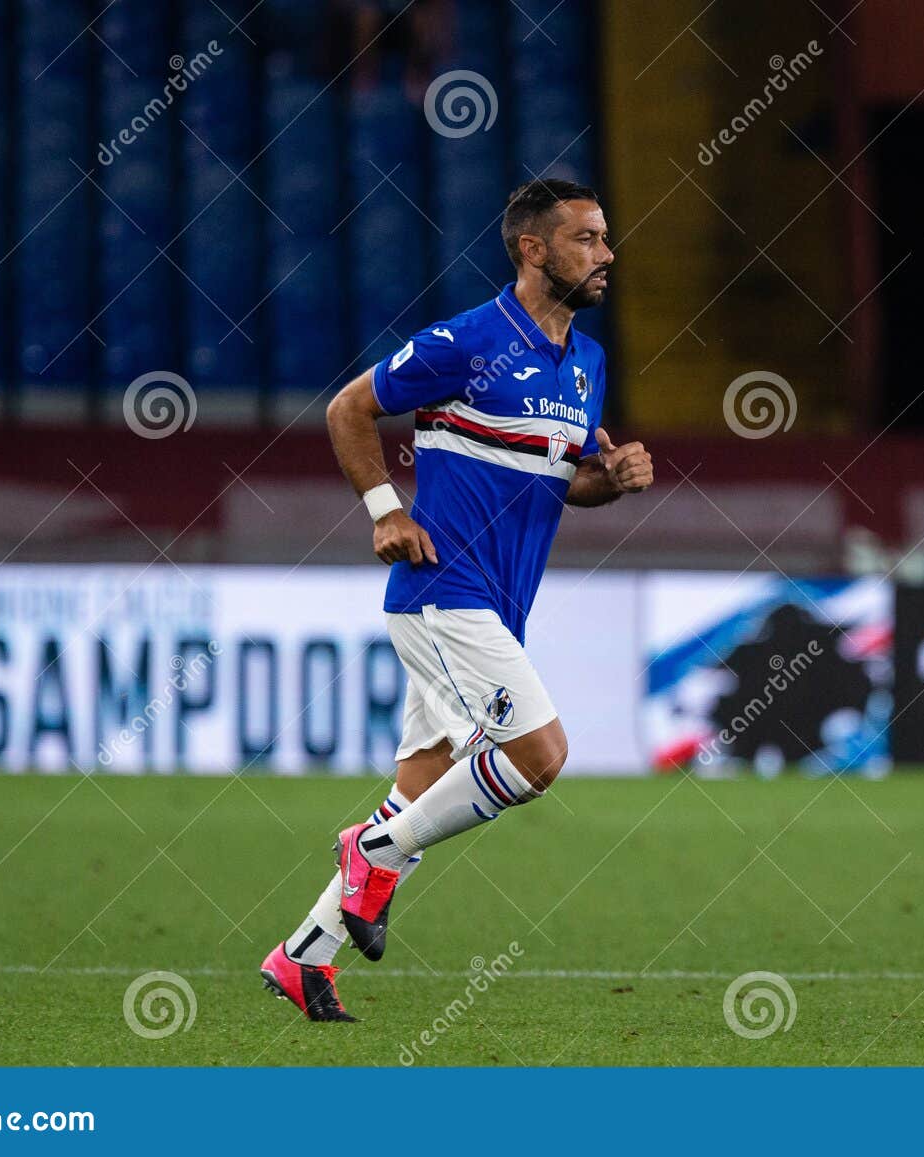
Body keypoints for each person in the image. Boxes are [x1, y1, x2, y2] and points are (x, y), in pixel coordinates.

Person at [260, 178, 654, 1020]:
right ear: (533, 249)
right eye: (587, 238)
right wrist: (385, 510)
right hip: (444, 592)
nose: (607, 255)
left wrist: (609, 481)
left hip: (498, 604)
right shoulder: (465, 343)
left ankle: (305, 956)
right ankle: (371, 853)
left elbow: (562, 482)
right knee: (539, 756)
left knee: (423, 788)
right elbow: (348, 410)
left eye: (606, 238)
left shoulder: (585, 362)